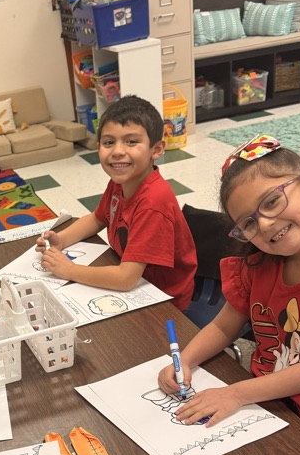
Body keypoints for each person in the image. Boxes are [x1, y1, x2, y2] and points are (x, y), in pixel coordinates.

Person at [157, 134, 300, 455]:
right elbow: (223, 325)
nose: (266, 225)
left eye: (271, 202)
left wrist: (235, 394)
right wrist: (185, 359)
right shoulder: (259, 264)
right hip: (266, 403)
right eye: (248, 223)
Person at [36, 95, 197, 311]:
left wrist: (69, 270)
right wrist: (61, 241)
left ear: (157, 150)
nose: (118, 151)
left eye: (132, 141)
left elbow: (126, 279)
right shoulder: (121, 182)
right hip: (136, 281)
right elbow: (96, 219)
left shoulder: (153, 202)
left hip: (163, 299)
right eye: (109, 142)